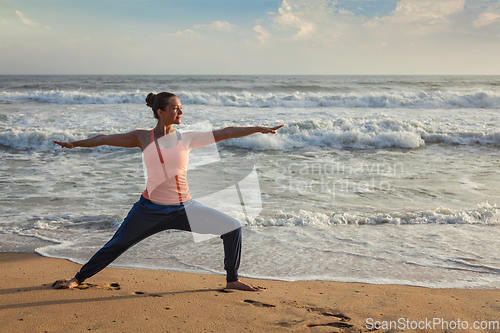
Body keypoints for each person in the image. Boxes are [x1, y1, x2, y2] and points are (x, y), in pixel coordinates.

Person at [54, 92, 283, 291]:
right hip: (148, 210)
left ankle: (232, 280)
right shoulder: (142, 137)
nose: (181, 111)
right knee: (116, 245)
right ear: (161, 111)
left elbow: (225, 132)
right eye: (176, 108)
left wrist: (257, 129)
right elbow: (104, 139)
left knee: (232, 227)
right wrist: (76, 144)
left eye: (181, 108)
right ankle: (78, 278)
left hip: (185, 208)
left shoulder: (188, 138)